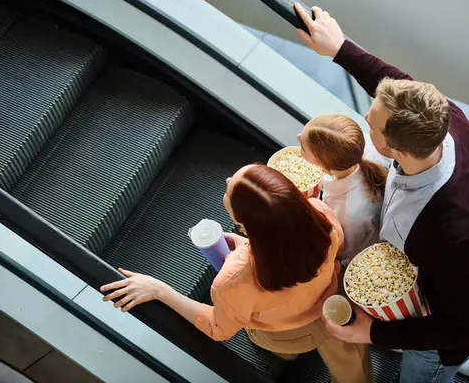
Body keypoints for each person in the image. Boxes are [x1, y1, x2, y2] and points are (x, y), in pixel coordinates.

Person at [294, 3, 469, 383]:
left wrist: (372, 332)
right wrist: (340, 48)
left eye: (371, 127)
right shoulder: (444, 118)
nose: (364, 123)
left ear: (398, 150)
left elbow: (464, 325)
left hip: (440, 324)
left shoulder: (452, 229)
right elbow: (394, 84)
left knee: (446, 351)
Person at [100, 164, 373, 383]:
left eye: (230, 188)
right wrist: (249, 246)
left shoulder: (231, 282)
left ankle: (285, 357)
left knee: (277, 349)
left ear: (243, 225)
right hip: (335, 307)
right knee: (353, 369)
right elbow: (293, 248)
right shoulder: (322, 215)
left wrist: (161, 290)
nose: (228, 179)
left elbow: (218, 329)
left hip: (286, 336)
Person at [298, 114, 388, 264]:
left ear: (322, 163)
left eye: (302, 146)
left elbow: (345, 252)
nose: (298, 136)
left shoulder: (346, 213)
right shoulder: (359, 148)